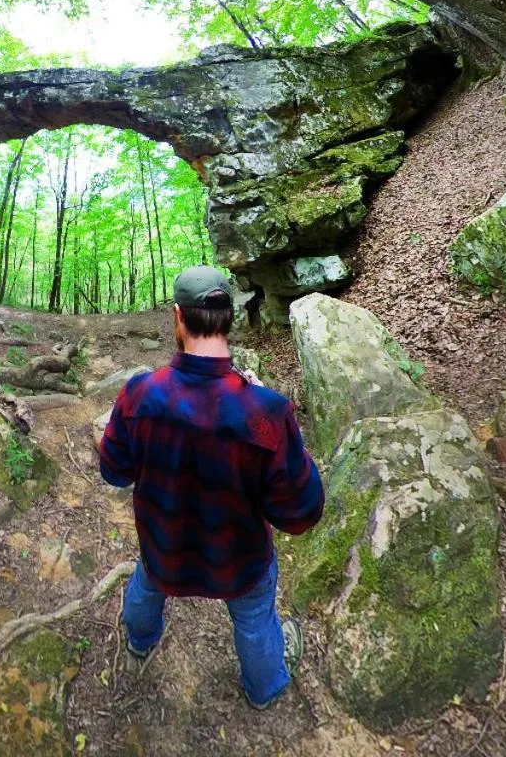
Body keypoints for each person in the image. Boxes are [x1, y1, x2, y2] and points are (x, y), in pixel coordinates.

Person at [98, 265, 324, 710]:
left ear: (177, 317)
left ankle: (139, 641)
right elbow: (301, 513)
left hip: (163, 548)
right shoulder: (266, 411)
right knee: (255, 618)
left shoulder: (140, 394)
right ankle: (265, 689)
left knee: (148, 581)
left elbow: (114, 471)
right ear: (230, 319)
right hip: (238, 563)